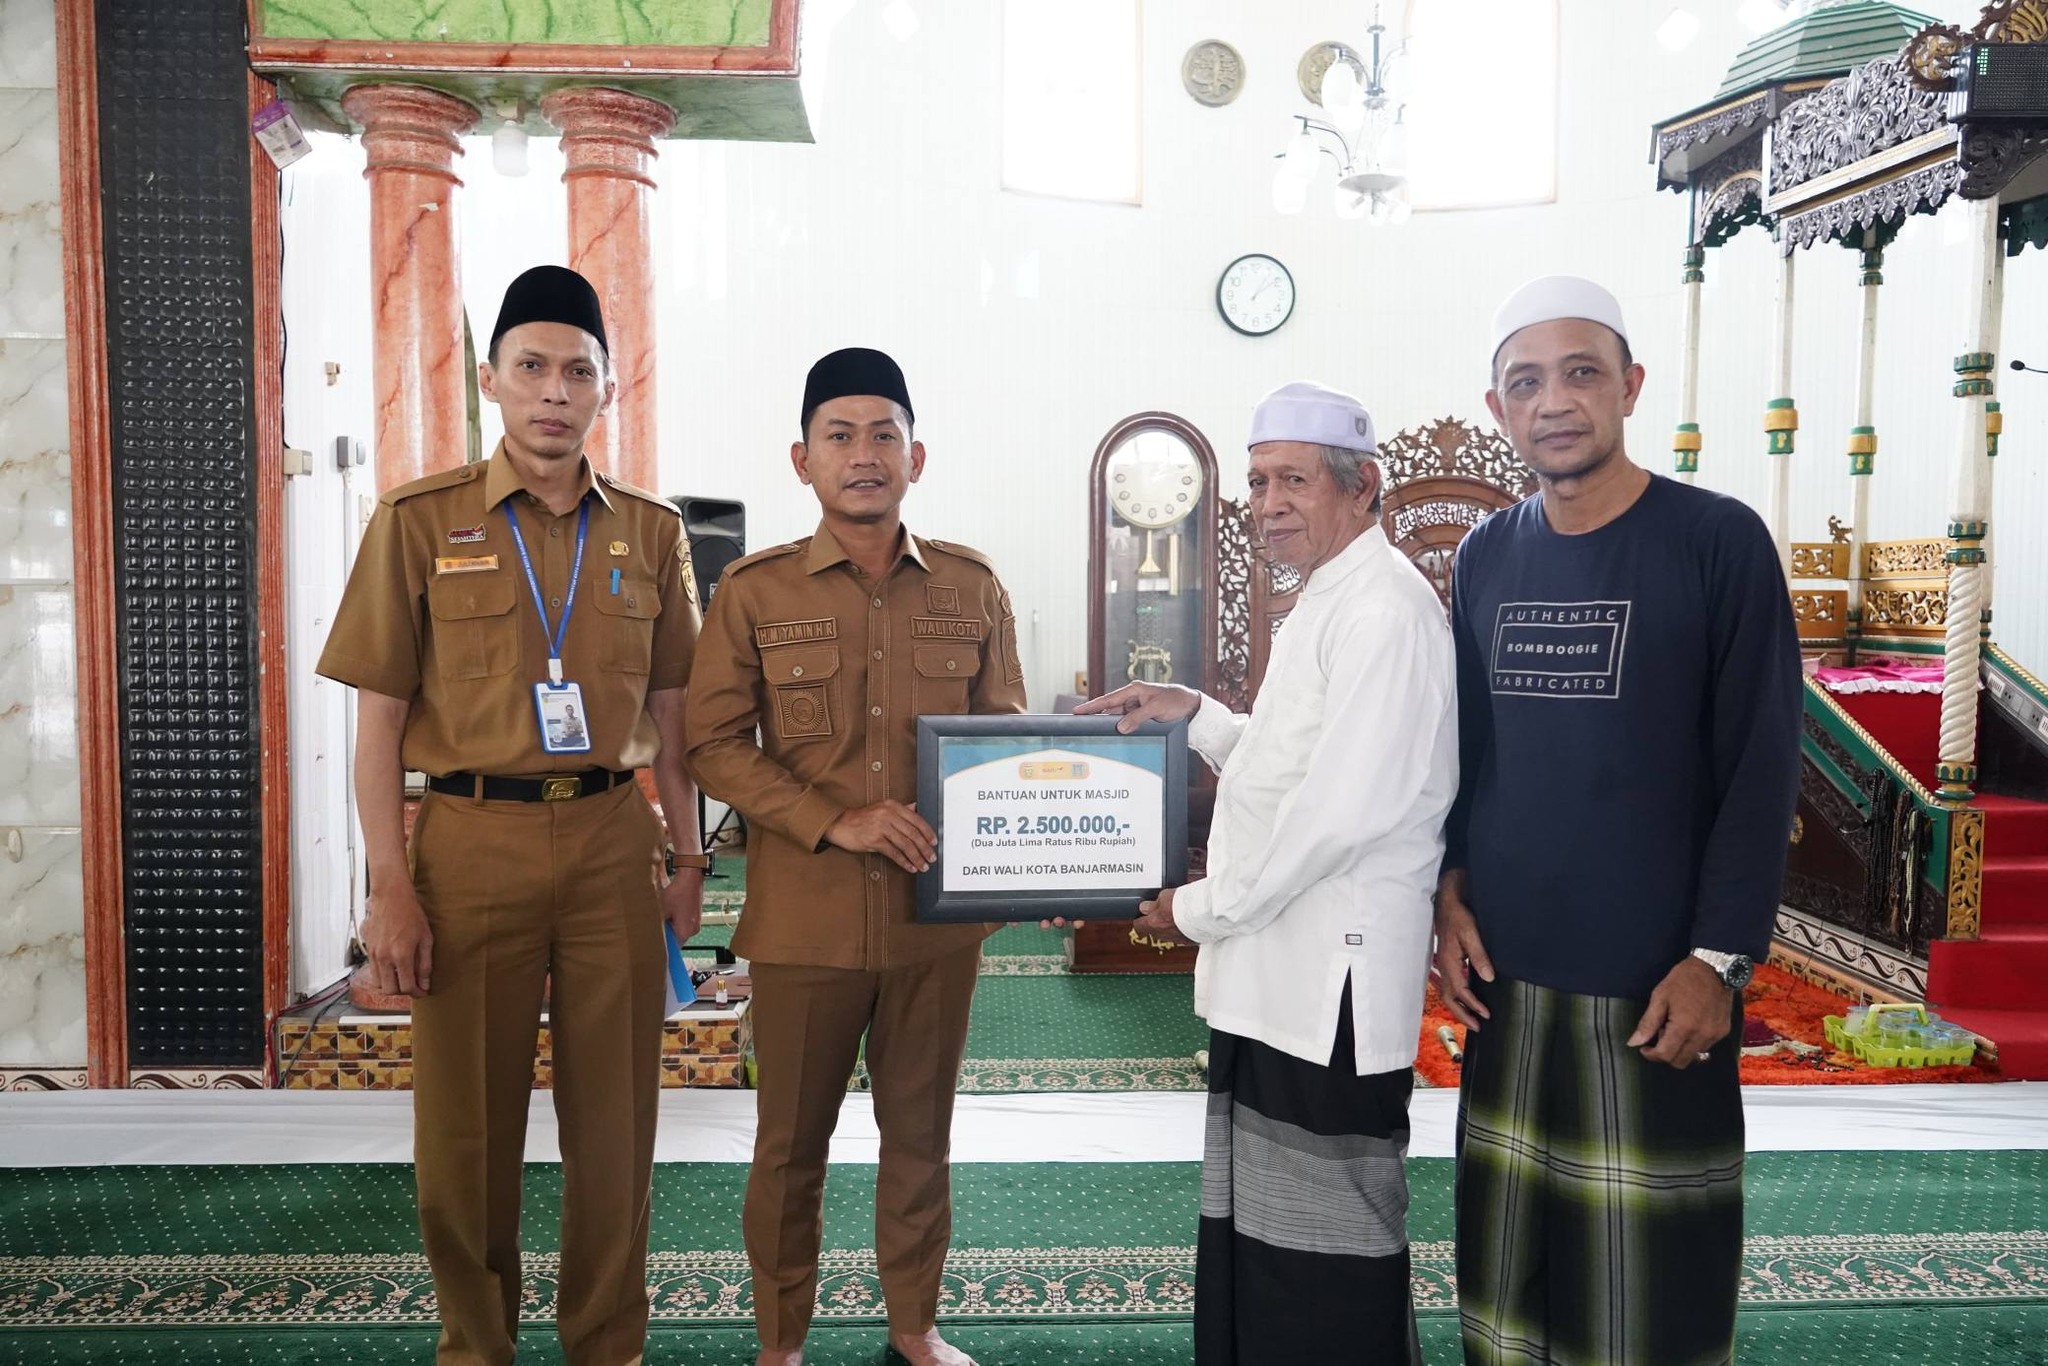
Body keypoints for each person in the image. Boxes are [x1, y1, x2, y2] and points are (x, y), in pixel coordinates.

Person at [316, 264, 707, 1366]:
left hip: (607, 843)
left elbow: (671, 723)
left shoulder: (651, 533)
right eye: (530, 366)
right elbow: (378, 727)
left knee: (616, 1126)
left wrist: (687, 859)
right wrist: (389, 885)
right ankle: (475, 1346)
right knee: (463, 1131)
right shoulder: (417, 520)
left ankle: (604, 1344)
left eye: (576, 370)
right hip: (466, 841)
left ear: (607, 390)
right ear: (492, 380)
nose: (552, 390)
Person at [1433, 276, 1802, 1365]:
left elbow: (1758, 766)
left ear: (1630, 386)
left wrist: (1718, 957)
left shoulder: (1716, 542)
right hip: (1507, 985)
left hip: (1654, 994)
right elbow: (1468, 751)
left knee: (1645, 1307)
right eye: (1525, 382)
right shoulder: (1484, 555)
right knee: (1511, 1295)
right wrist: (1447, 889)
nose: (1554, 401)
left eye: (1580, 372)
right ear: (1498, 409)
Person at [1077, 382, 1457, 1365]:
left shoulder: (1382, 612)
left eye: (1291, 478)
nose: (1266, 500)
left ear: (1360, 486)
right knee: (1264, 1238)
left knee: (1326, 1253)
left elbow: (1336, 816)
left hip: (1322, 984)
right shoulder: (1327, 599)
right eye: (1255, 480)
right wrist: (1191, 712)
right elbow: (1284, 764)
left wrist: (1195, 907)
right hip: (1276, 978)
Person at [683, 348, 1028, 1366]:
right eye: (839, 435)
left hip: (933, 928)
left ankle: (914, 1327)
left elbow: (1003, 741)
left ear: (915, 456)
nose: (862, 454)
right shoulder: (752, 593)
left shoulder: (971, 586)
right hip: (804, 923)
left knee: (919, 1141)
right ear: (802, 459)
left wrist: (1028, 861)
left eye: (883, 434)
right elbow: (710, 744)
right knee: (789, 1148)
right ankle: (779, 1342)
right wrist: (832, 820)